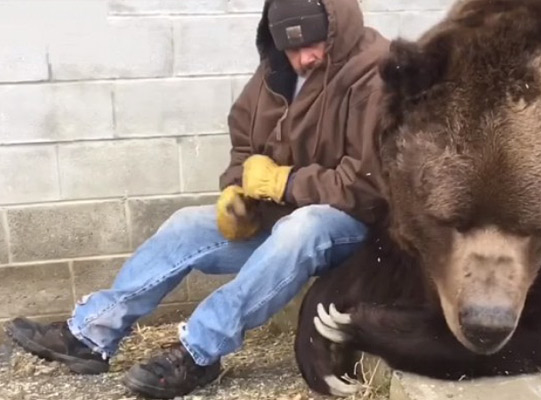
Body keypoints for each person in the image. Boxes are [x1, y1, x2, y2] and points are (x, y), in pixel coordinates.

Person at [4, 0, 389, 398]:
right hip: (288, 216)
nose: (304, 57)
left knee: (303, 227)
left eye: (313, 44)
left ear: (334, 30)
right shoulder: (277, 72)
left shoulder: (375, 72)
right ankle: (91, 334)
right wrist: (238, 193)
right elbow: (245, 145)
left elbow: (370, 185)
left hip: (355, 228)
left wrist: (283, 183)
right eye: (292, 48)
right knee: (188, 223)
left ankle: (199, 352)